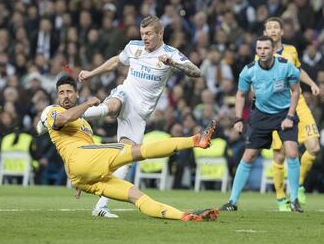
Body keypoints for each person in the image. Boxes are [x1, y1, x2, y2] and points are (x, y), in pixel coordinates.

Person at [40, 74, 219, 222]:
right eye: (61, 92)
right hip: (80, 163)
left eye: (69, 92)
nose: (65, 96)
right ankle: (196, 140)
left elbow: (69, 150)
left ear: (76, 94)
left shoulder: (84, 123)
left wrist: (77, 178)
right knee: (136, 150)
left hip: (84, 174)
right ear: (57, 96)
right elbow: (63, 121)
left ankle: (184, 216)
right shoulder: (52, 110)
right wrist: (87, 103)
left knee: (136, 195)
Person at [78, 15, 202, 218]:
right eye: (142, 33)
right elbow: (115, 62)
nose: (144, 37)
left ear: (160, 34)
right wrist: (91, 73)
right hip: (126, 94)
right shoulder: (133, 47)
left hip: (139, 113)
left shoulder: (171, 54)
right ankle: (71, 116)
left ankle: (100, 206)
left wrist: (174, 63)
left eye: (149, 34)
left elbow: (196, 72)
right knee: (112, 105)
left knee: (125, 159)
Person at [219, 35, 303, 213]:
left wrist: (289, 116)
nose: (262, 52)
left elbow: (296, 91)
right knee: (248, 156)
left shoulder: (286, 66)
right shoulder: (248, 71)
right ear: (256, 51)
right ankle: (232, 201)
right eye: (259, 49)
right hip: (260, 115)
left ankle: (294, 200)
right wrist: (238, 119)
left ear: (273, 50)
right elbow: (240, 95)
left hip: (284, 113)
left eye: (266, 48)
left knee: (292, 152)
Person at [262, 17, 320, 211]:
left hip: (299, 104)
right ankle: (281, 199)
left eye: (275, 27)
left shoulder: (291, 50)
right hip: (278, 107)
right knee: (280, 156)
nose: (272, 30)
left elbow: (298, 70)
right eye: (269, 27)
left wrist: (311, 84)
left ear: (281, 32)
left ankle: (299, 184)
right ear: (265, 32)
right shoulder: (260, 55)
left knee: (314, 147)